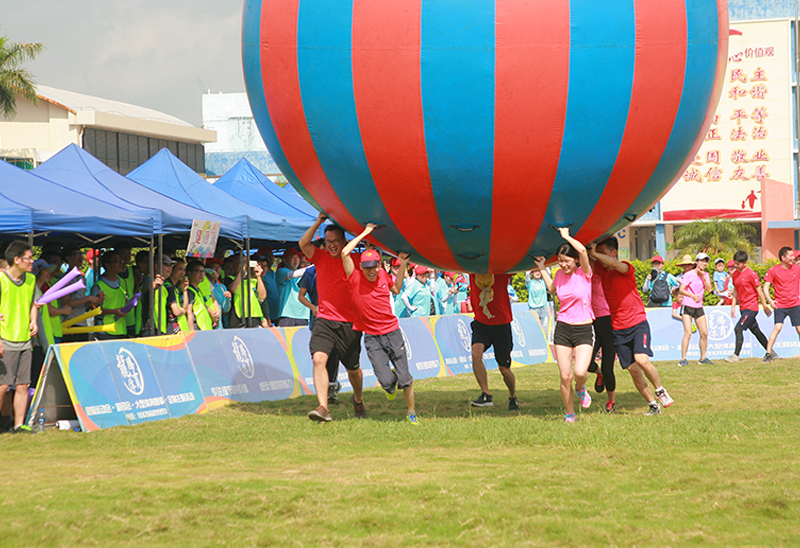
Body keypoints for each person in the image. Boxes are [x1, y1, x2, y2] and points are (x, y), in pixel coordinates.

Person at [342, 224, 418, 424]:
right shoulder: (354, 278)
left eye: (374, 267)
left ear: (379, 266)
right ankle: (390, 383)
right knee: (386, 382)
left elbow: (397, 289)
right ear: (361, 267)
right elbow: (345, 252)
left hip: (393, 333)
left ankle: (411, 413)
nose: (371, 271)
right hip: (372, 337)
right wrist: (366, 232)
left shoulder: (383, 275)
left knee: (405, 378)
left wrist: (403, 264)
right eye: (367, 267)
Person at [589, 237, 674, 415]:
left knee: (641, 360)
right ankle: (653, 405)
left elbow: (613, 263)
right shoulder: (602, 271)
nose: (599, 257)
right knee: (633, 370)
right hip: (618, 329)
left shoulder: (626, 268)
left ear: (614, 253)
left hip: (637, 324)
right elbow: (585, 257)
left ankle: (660, 390)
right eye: (598, 254)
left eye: (603, 253)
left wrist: (594, 253)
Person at [301, 213, 365, 422]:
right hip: (325, 319)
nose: (332, 245)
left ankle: (358, 399)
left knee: (353, 370)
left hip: (349, 323)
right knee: (318, 359)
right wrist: (318, 222)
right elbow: (303, 244)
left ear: (344, 241)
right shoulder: (320, 258)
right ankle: (323, 408)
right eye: (328, 242)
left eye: (336, 241)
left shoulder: (356, 260)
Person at [536, 227, 594, 422]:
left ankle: (581, 388)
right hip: (563, 328)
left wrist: (566, 236)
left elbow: (583, 250)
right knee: (565, 376)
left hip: (584, 328)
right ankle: (570, 413)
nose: (563, 264)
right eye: (560, 261)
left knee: (580, 372)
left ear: (575, 260)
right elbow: (552, 288)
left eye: (566, 260)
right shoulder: (560, 275)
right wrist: (542, 267)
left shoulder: (584, 273)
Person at [0, 241, 39, 433]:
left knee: (23, 385)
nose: (32, 261)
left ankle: (18, 425)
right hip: (5, 339)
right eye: (28, 258)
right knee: (2, 386)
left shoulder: (31, 280)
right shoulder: (1, 280)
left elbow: (33, 304)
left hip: (25, 340)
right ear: (16, 259)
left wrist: (34, 321)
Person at [468, 271, 518, 411]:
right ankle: (486, 395)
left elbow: (514, 266)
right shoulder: (472, 271)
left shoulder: (500, 271)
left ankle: (512, 396)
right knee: (476, 354)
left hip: (501, 324)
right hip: (481, 322)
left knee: (504, 368)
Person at [726, 250, 772, 362]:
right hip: (742, 307)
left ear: (745, 263)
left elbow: (759, 290)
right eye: (735, 263)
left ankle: (736, 356)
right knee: (756, 331)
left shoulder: (751, 274)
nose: (735, 266)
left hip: (751, 307)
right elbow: (736, 290)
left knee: (738, 328)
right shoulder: (735, 274)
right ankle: (771, 351)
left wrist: (764, 306)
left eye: (738, 264)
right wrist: (733, 306)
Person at [587, 265, 618, 413]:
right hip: (591, 322)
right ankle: (599, 373)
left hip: (608, 322)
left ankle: (611, 401)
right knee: (586, 363)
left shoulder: (607, 275)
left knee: (608, 368)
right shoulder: (583, 276)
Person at [762, 246, 800, 362]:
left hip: (795, 304)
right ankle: (768, 354)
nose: (793, 258)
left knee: (799, 328)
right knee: (777, 328)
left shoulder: (797, 269)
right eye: (791, 256)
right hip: (780, 306)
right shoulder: (773, 270)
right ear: (783, 258)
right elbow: (765, 287)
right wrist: (770, 301)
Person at [677, 252, 714, 366]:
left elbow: (709, 289)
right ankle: (683, 359)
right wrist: (692, 296)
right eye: (702, 261)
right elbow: (681, 289)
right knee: (688, 333)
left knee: (704, 333)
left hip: (699, 307)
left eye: (706, 261)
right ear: (697, 262)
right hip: (688, 305)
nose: (704, 263)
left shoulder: (705, 275)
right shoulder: (689, 274)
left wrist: (703, 278)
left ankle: (703, 358)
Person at [90, 251, 131, 340]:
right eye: (117, 261)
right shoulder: (99, 286)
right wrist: (114, 312)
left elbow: (125, 300)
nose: (121, 264)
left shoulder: (122, 282)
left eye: (121, 261)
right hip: (105, 330)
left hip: (121, 329)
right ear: (107, 265)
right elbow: (94, 310)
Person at [228, 258, 268, 328]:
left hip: (255, 316)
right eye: (242, 263)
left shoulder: (256, 281)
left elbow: (262, 296)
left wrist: (258, 276)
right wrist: (242, 271)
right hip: (238, 316)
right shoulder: (231, 278)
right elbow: (233, 289)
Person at [275, 248, 311, 327]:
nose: (296, 259)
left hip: (303, 314)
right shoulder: (281, 271)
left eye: (297, 257)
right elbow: (292, 275)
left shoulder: (303, 273)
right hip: (287, 314)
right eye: (292, 257)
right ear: (285, 260)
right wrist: (314, 267)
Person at [185, 260, 216, 331]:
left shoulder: (197, 290)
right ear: (189, 273)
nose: (201, 274)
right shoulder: (189, 291)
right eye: (197, 271)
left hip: (205, 328)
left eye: (203, 271)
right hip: (196, 329)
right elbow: (188, 313)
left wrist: (212, 314)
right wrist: (191, 333)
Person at [525, 268, 552, 341]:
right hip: (533, 310)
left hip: (544, 309)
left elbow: (548, 274)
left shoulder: (543, 282)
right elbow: (527, 275)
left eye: (539, 271)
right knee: (534, 329)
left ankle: (544, 345)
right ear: (532, 273)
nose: (538, 272)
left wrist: (542, 266)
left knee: (545, 331)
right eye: (535, 271)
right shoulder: (530, 283)